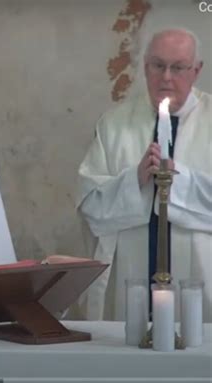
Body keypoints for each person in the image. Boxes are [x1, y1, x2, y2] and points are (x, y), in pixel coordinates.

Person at [76, 28, 211, 321]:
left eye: (177, 67)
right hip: (131, 275)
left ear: (196, 70)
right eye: (158, 65)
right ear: (145, 66)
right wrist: (134, 181)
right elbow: (90, 204)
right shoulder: (114, 124)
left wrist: (180, 179)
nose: (166, 76)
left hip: (201, 280)